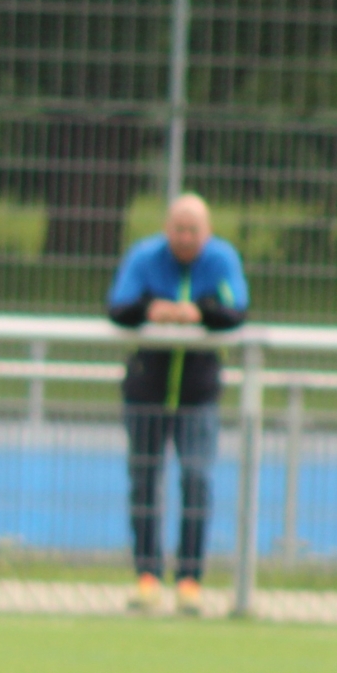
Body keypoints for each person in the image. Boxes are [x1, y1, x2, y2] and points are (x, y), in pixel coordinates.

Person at [106, 193, 249, 616]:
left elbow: (236, 309)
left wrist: (198, 312)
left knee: (197, 480)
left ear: (207, 231)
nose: (185, 237)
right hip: (146, 391)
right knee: (144, 481)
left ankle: (190, 580)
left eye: (193, 230)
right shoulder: (145, 257)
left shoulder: (221, 260)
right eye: (179, 229)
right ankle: (147, 576)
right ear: (167, 229)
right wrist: (152, 310)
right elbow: (119, 307)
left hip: (197, 394)